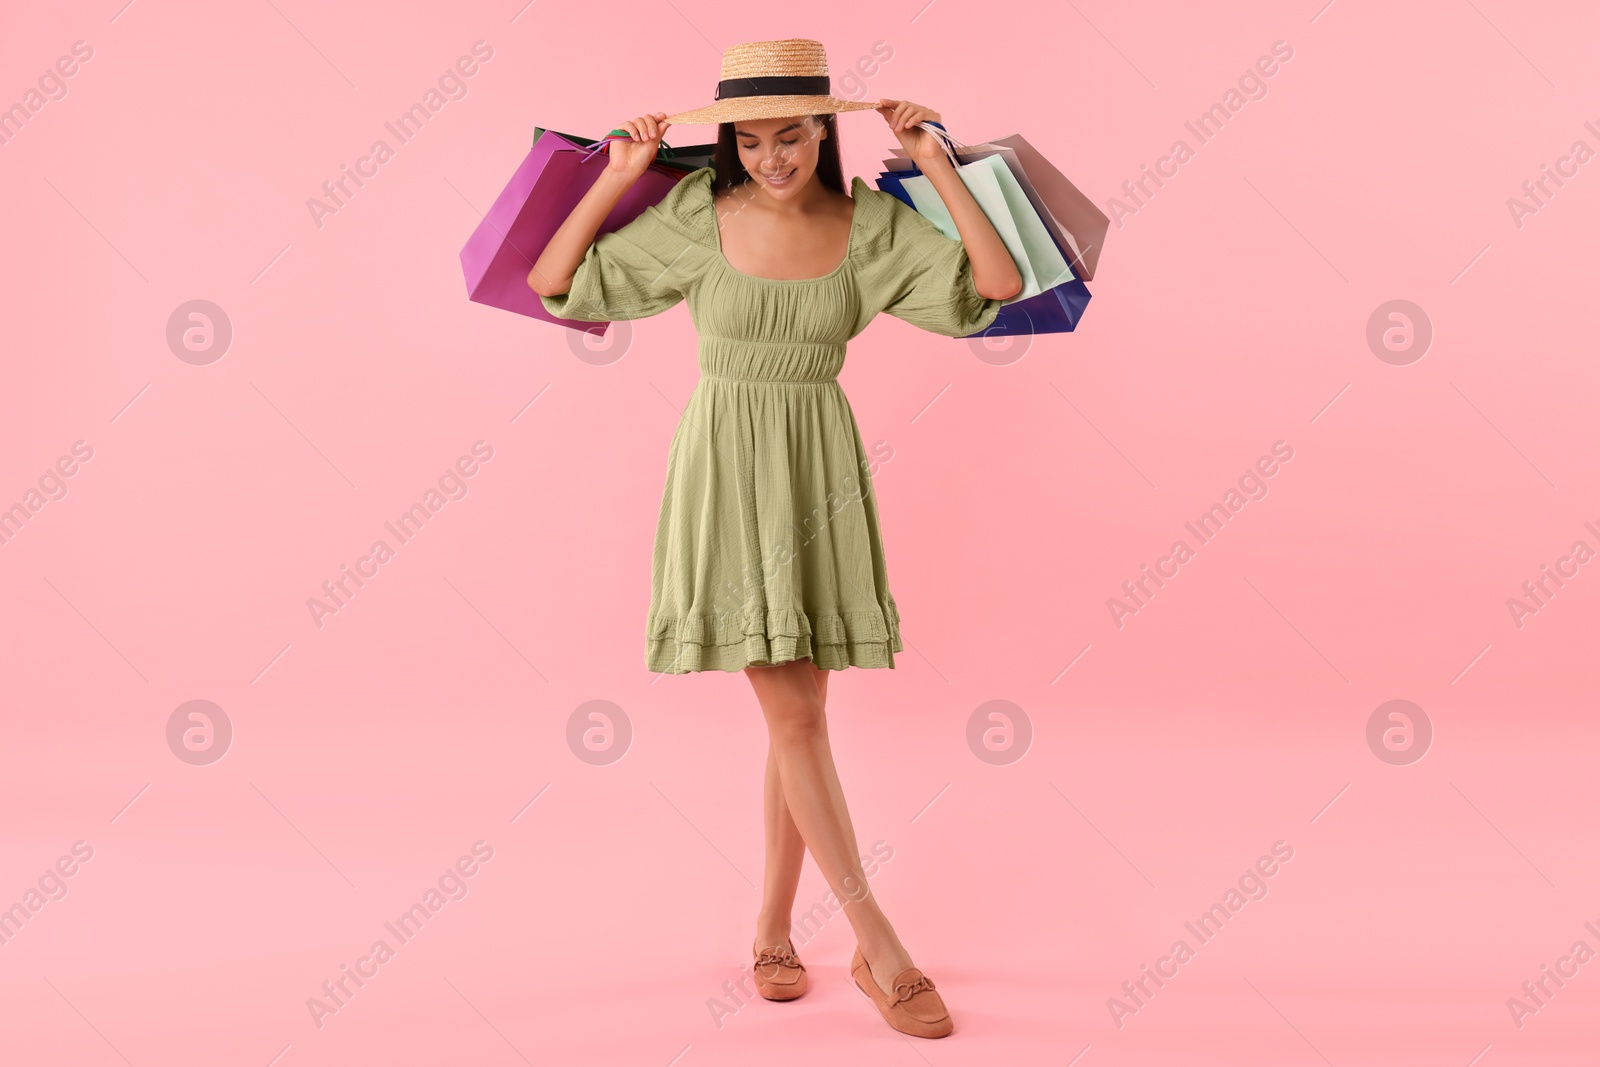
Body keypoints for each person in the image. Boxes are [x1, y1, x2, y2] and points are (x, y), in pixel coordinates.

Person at [528, 38, 1021, 1039]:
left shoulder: (870, 227)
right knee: (793, 713)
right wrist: (619, 175)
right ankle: (879, 942)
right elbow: (553, 280)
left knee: (796, 717)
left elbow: (998, 286)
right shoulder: (696, 218)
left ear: (823, 132)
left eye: (790, 137)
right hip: (723, 467)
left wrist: (936, 164)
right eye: (749, 143)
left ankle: (767, 928)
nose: (771, 160)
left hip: (817, 468)